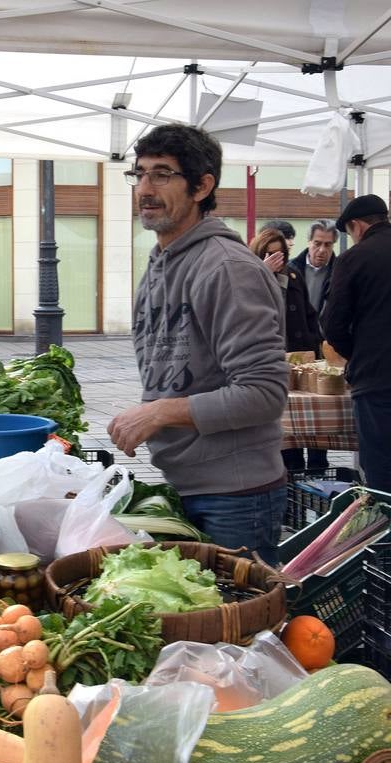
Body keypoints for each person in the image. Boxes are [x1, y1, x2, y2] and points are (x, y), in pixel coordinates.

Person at [107, 123, 289, 565]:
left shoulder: (227, 268)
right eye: (140, 174)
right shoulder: (160, 261)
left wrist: (161, 411)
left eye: (163, 174)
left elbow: (265, 393)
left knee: (234, 630)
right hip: (186, 483)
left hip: (236, 496)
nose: (145, 189)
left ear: (202, 186)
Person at [321, 194, 391, 492]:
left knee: (382, 470)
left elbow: (332, 323)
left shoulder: (354, 258)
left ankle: (386, 537)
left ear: (356, 226)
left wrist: (355, 354)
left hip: (377, 380)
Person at [250, 228, 325, 473]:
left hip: (301, 356)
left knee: (314, 424)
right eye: (269, 254)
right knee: (286, 431)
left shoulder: (293, 274)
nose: (276, 259)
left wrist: (316, 347)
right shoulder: (250, 276)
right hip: (271, 361)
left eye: (280, 253)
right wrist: (264, 273)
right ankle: (292, 471)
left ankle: (317, 469)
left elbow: (308, 313)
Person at [289, 218, 338, 317]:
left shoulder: (340, 271)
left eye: (327, 245)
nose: (322, 250)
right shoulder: (290, 269)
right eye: (317, 243)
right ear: (309, 242)